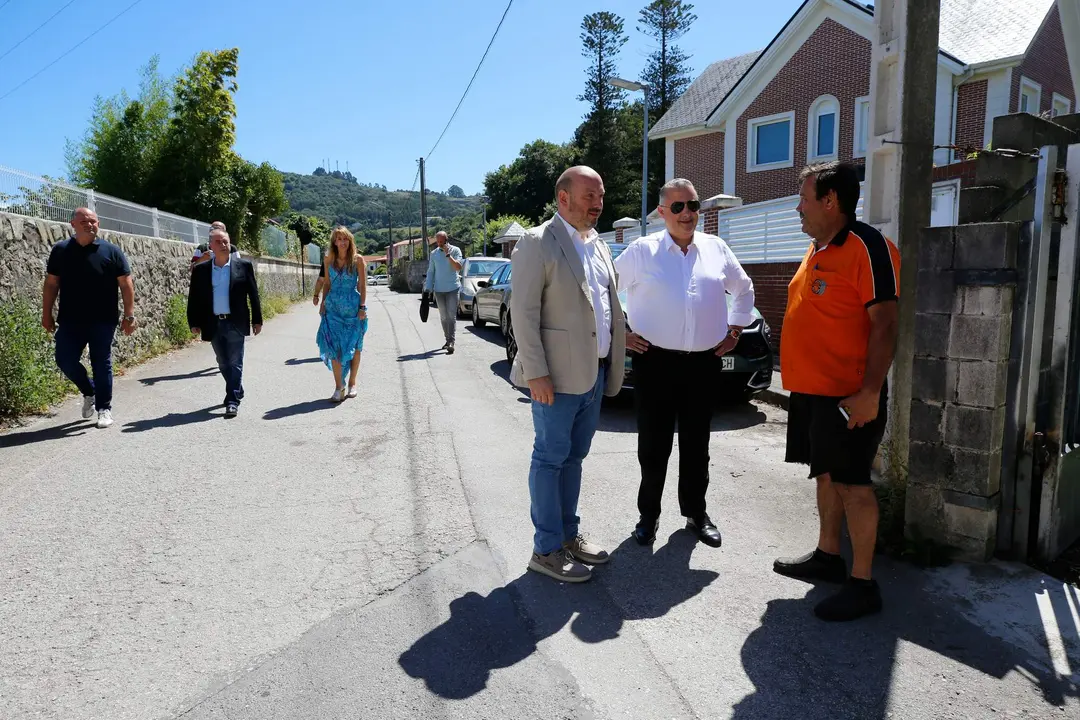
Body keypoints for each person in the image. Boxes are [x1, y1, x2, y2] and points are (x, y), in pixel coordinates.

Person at [773, 161, 900, 622]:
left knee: (853, 484)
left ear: (830, 201)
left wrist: (870, 392)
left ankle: (863, 584)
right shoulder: (817, 248)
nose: (798, 207)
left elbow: (885, 324)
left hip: (850, 398)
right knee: (826, 475)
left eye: (804, 198)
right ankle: (828, 555)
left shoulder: (868, 247)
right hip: (814, 394)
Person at [614, 178, 755, 549]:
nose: (687, 214)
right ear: (661, 213)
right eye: (677, 207)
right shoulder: (642, 250)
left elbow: (744, 289)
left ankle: (695, 513)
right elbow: (604, 290)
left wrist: (735, 331)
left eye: (692, 205)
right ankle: (648, 516)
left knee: (697, 444)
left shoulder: (716, 248)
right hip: (654, 363)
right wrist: (619, 334)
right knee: (653, 445)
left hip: (703, 365)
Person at [510, 166, 626, 583]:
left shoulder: (598, 246)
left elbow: (605, 308)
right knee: (549, 459)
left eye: (600, 195)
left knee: (573, 459)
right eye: (589, 196)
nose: (598, 203)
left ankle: (567, 536)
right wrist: (536, 372)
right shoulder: (536, 242)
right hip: (554, 379)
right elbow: (523, 314)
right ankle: (545, 549)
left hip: (592, 374)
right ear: (563, 198)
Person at [42, 207, 136, 429]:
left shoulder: (111, 251)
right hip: (70, 320)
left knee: (101, 362)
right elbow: (52, 284)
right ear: (72, 224)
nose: (89, 224)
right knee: (64, 360)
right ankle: (89, 390)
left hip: (103, 320)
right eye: (83, 221)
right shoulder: (61, 250)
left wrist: (129, 315)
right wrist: (46, 314)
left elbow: (126, 283)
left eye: (93, 221)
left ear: (98, 224)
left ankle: (104, 408)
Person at [187, 228, 263, 418]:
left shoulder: (243, 266)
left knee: (235, 361)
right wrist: (193, 322)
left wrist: (257, 319)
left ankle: (232, 400)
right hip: (213, 322)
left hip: (235, 321)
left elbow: (254, 295)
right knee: (222, 362)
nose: (223, 245)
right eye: (219, 242)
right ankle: (237, 387)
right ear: (210, 246)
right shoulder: (201, 270)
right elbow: (193, 298)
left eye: (226, 241)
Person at [316, 226, 368, 401]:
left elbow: (362, 285)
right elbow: (328, 284)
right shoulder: (328, 259)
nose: (342, 242)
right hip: (333, 309)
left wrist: (362, 307)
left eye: (345, 239)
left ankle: (352, 382)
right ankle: (339, 386)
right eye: (339, 239)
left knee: (355, 346)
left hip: (353, 309)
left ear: (350, 241)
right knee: (334, 347)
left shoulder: (358, 260)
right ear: (334, 242)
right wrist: (323, 302)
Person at [423, 231, 463, 354]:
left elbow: (458, 267)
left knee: (451, 316)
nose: (439, 244)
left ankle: (451, 341)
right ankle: (447, 339)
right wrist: (427, 288)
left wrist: (448, 255)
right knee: (444, 317)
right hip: (439, 290)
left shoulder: (456, 251)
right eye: (438, 242)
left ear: (446, 240)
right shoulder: (434, 254)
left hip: (453, 288)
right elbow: (431, 272)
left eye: (441, 242)